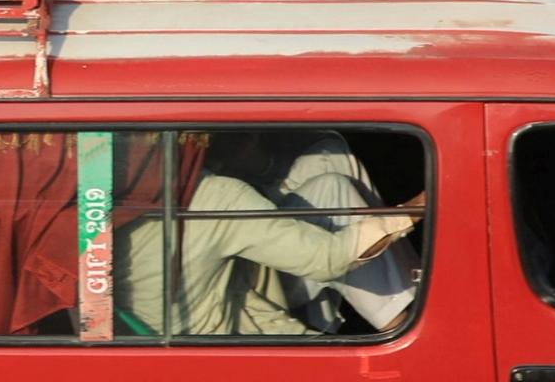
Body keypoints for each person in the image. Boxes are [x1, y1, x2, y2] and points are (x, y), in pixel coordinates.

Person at [114, 139, 423, 336]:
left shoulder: (108, 192)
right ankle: (406, 329)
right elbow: (328, 258)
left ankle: (411, 303)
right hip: (236, 332)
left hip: (190, 305)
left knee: (331, 179)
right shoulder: (213, 196)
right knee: (335, 188)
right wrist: (418, 207)